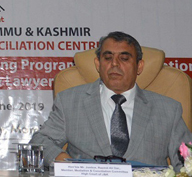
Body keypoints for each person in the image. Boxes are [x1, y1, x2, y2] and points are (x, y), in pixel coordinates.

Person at [30, 31, 192, 169]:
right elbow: (40, 142)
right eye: (107, 58)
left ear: (140, 66)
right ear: (98, 64)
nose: (114, 64)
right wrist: (68, 163)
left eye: (124, 58)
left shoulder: (168, 109)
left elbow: (187, 163)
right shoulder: (69, 101)